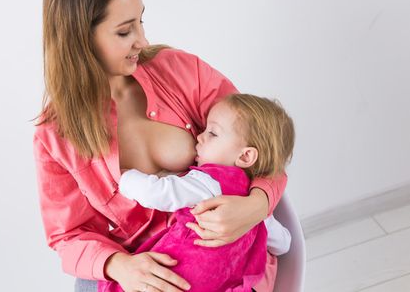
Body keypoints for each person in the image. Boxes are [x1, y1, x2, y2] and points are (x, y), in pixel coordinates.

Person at [34, 0, 288, 292]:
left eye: (140, 22)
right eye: (124, 31)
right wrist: (118, 264)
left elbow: (262, 144)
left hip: (228, 262)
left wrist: (255, 206)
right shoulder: (53, 136)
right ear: (80, 40)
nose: (142, 40)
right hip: (147, 272)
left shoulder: (180, 71)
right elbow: (67, 235)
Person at [99, 94, 294, 292]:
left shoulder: (209, 182)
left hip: (177, 278)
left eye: (213, 133)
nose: (200, 136)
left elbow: (160, 193)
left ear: (245, 156)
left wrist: (125, 178)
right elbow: (283, 243)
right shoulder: (255, 209)